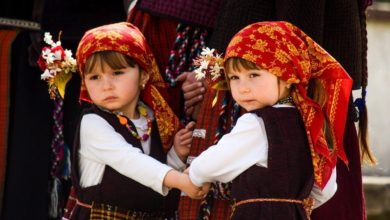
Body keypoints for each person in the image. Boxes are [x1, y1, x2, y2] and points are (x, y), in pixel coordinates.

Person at [187, 21, 353, 220]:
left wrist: (194, 174)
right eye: (234, 78)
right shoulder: (312, 124)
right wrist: (294, 206)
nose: (243, 87)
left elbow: (208, 166)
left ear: (287, 76)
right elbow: (326, 189)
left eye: (253, 75)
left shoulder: (256, 124)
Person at [67, 22, 208, 219]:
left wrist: (176, 155)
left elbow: (153, 180)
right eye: (94, 77)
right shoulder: (93, 123)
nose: (106, 86)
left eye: (117, 73)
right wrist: (182, 181)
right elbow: (131, 162)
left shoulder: (151, 118)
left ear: (143, 75)